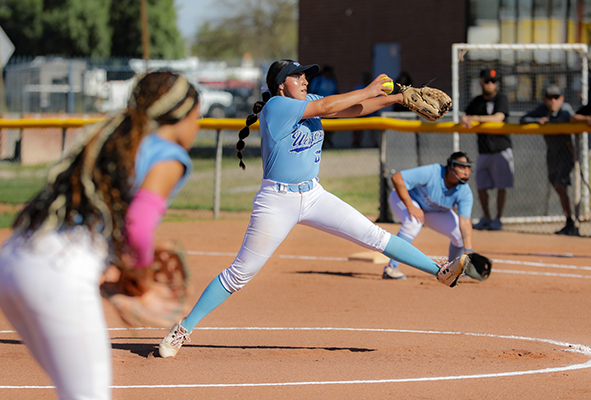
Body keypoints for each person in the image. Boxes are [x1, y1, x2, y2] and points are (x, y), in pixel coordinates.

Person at [158, 59, 469, 358]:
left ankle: (439, 271)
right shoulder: (276, 106)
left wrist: (399, 98)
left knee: (374, 236)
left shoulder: (309, 100)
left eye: (306, 75)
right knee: (240, 274)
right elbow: (328, 107)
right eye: (297, 76)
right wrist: (371, 87)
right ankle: (183, 328)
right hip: (277, 201)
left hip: (314, 195)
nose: (305, 80)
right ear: (280, 86)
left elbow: (353, 109)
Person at [0, 71, 201, 400]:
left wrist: (115, 266)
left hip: (13, 261)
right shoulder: (168, 155)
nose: (198, 124)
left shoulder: (113, 135)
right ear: (180, 116)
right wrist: (141, 275)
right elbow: (138, 226)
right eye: (197, 115)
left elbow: (96, 217)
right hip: (59, 270)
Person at [383, 152, 474, 279]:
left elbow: (465, 222)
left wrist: (469, 250)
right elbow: (397, 178)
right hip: (403, 198)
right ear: (450, 168)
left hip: (431, 210)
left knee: (459, 235)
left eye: (468, 168)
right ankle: (391, 268)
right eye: (462, 167)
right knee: (413, 222)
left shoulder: (465, 192)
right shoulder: (433, 172)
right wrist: (410, 206)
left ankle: (452, 271)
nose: (466, 172)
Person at [520, 85, 579, 236]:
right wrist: (539, 119)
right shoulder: (542, 109)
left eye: (556, 98)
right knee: (558, 186)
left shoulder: (565, 108)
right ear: (544, 99)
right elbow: (523, 119)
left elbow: (567, 118)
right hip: (552, 154)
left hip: (566, 153)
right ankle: (569, 221)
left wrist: (549, 122)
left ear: (561, 99)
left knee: (561, 185)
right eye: (549, 98)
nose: (553, 101)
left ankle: (572, 221)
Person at [461, 67, 513, 231]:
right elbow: (466, 114)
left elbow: (499, 118)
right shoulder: (477, 101)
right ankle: (486, 218)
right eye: (487, 81)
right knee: (481, 186)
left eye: (493, 81)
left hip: (500, 149)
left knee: (500, 186)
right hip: (483, 150)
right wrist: (466, 118)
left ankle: (497, 219)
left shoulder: (501, 98)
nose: (490, 84)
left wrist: (477, 118)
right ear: (481, 83)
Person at [309, 65, 339, 148]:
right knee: (321, 125)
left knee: (333, 124)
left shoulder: (332, 80)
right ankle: (322, 141)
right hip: (320, 105)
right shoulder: (318, 80)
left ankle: (328, 139)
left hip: (331, 105)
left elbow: (336, 91)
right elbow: (312, 90)